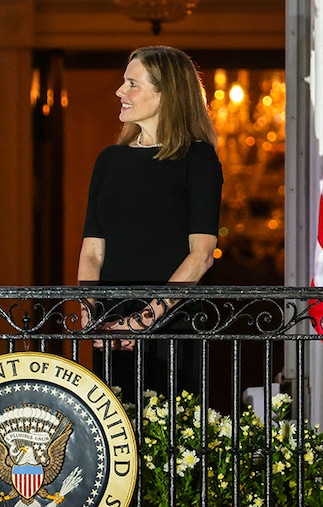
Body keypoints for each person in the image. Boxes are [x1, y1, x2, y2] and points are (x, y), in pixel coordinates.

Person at [77, 46, 223, 401]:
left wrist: (145, 320)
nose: (119, 92)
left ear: (166, 93)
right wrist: (90, 313)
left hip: (170, 326)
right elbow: (93, 250)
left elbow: (201, 255)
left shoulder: (198, 158)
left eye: (132, 84)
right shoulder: (109, 160)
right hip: (111, 327)